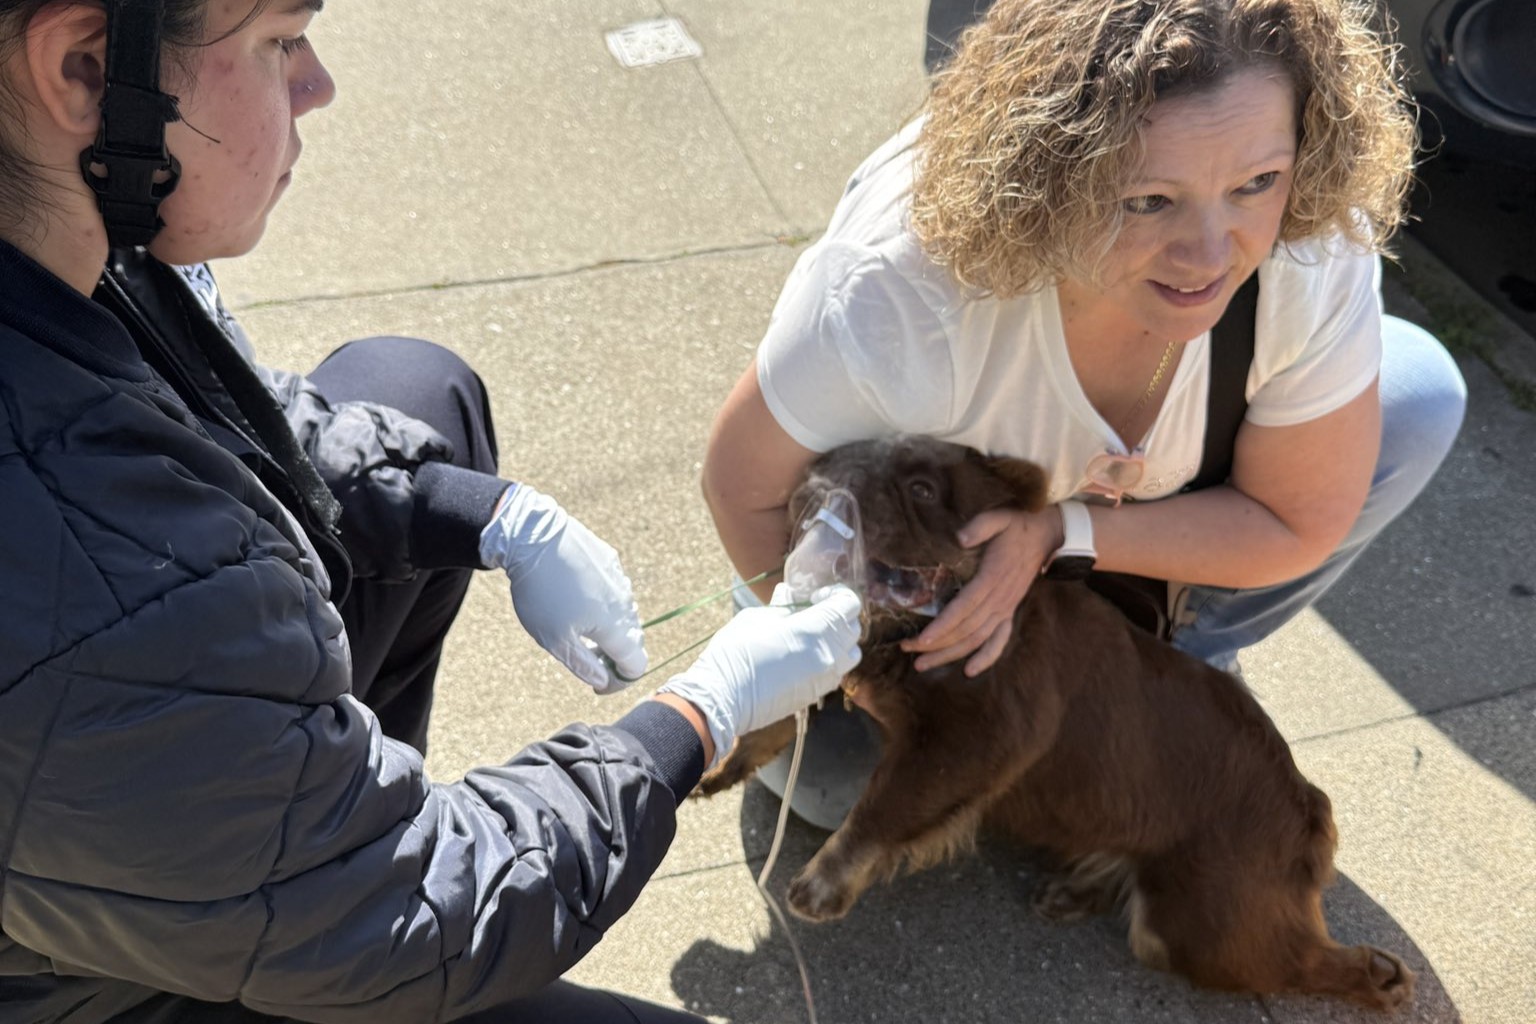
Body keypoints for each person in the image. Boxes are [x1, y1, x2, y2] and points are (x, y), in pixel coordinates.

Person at [0, 1, 864, 1021]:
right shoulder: (108, 588)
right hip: (110, 992)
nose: (318, 83)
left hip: (126, 842)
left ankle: (316, 808)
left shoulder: (51, 256)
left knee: (417, 393)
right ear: (87, 68)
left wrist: (481, 511)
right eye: (277, 40)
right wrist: (702, 713)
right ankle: (311, 859)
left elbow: (195, 409)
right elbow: (427, 912)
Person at [702, 0, 1468, 829]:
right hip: (902, 572)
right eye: (1147, 200)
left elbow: (1295, 518)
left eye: (1256, 183)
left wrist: (1056, 533)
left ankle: (1172, 655)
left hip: (1089, 534)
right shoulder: (899, 295)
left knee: (1419, 395)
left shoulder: (1314, 244)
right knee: (838, 793)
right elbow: (740, 487)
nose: (1211, 255)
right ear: (1050, 172)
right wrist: (856, 660)